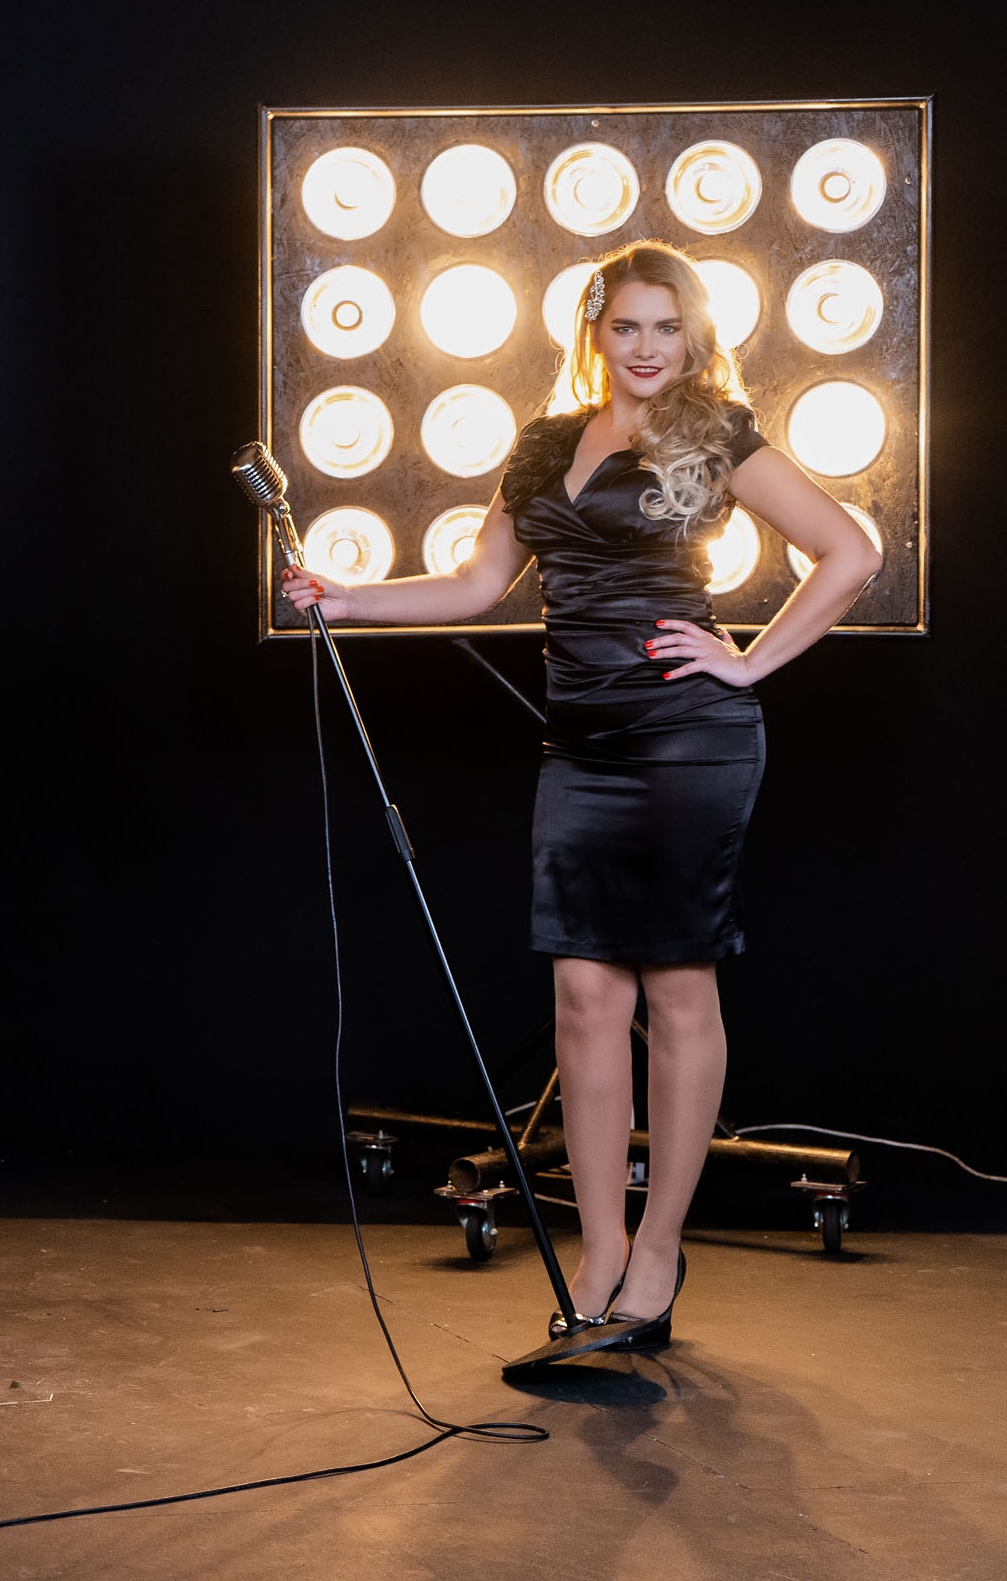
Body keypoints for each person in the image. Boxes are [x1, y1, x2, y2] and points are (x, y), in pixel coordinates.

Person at [281, 239, 880, 1347]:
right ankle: (600, 1251)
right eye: (626, 325)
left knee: (678, 992)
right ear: (594, 331)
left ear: (694, 337)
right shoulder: (545, 442)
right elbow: (477, 581)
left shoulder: (717, 434)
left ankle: (657, 1251)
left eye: (668, 327)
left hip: (688, 740)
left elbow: (849, 551)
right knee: (584, 1001)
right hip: (580, 748)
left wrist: (748, 663)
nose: (647, 348)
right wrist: (348, 597)